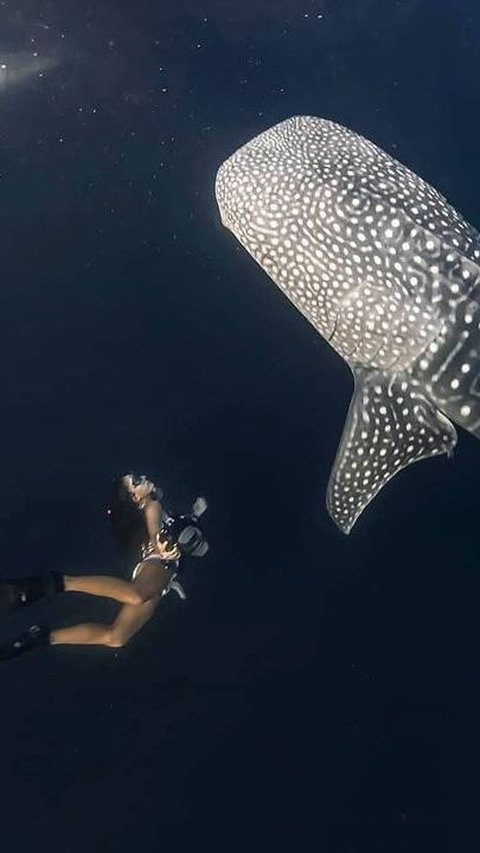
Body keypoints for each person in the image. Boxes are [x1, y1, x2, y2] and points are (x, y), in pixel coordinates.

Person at [0, 473, 208, 660]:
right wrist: (161, 547)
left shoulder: (154, 510)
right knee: (135, 595)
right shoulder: (152, 506)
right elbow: (155, 534)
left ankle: (40, 638)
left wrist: (194, 515)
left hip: (163, 574)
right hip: (158, 563)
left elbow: (161, 529)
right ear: (135, 497)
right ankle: (58, 582)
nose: (145, 480)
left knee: (116, 637)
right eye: (138, 482)